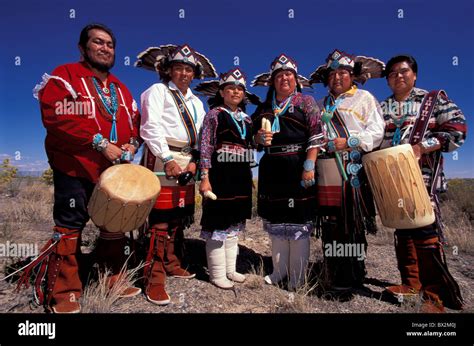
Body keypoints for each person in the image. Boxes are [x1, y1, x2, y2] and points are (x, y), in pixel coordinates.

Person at [25, 23, 142, 313]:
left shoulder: (121, 89)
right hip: (75, 165)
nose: (105, 48)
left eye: (110, 44)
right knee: (70, 226)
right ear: (83, 48)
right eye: (98, 42)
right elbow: (57, 116)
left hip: (112, 171)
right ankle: (63, 290)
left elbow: (135, 123)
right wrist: (100, 143)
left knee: (114, 224)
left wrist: (131, 144)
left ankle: (110, 278)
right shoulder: (65, 76)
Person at [380, 54, 466, 312]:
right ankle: (410, 285)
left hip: (423, 179)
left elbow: (457, 129)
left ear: (414, 74)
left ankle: (435, 295)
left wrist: (422, 146)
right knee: (403, 230)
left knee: (426, 232)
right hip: (392, 179)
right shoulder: (382, 108)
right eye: (392, 73)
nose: (398, 76)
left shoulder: (432, 100)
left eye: (403, 71)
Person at [136, 44, 217, 305]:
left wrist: (194, 160)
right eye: (179, 68)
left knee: (178, 215)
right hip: (162, 154)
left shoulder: (196, 101)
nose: (184, 73)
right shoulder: (157, 91)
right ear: (168, 70)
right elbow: (150, 127)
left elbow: (203, 135)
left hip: (187, 160)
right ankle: (153, 277)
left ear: (194, 74)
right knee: (159, 218)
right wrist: (168, 158)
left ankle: (171, 262)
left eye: (188, 69)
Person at [309, 49, 385, 299]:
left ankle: (354, 272)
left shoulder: (365, 98)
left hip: (352, 167)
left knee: (352, 221)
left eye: (343, 72)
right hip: (325, 169)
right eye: (333, 73)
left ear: (352, 76)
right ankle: (336, 272)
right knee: (331, 223)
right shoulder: (319, 105)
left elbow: (377, 132)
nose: (338, 77)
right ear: (327, 78)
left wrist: (350, 140)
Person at [252, 54, 324, 291]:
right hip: (272, 168)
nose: (284, 78)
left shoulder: (306, 103)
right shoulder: (264, 109)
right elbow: (252, 140)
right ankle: (279, 270)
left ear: (296, 80)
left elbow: (316, 135)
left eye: (289, 75)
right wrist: (258, 137)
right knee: (277, 221)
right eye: (279, 75)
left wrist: (309, 165)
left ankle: (297, 276)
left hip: (298, 166)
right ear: (273, 81)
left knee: (297, 222)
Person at [195, 68, 258, 289]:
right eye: (230, 88)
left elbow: (251, 147)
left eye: (240, 88)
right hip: (220, 174)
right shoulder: (214, 114)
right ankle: (217, 273)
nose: (235, 92)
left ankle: (231, 269)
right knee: (218, 223)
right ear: (222, 92)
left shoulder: (247, 119)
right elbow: (205, 147)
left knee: (234, 224)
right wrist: (205, 177)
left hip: (240, 175)